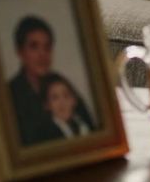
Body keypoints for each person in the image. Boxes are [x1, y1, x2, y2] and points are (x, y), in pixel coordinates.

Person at [7, 15, 96, 145]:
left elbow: (92, 129)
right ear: (20, 51)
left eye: (47, 47)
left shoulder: (62, 84)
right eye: (34, 46)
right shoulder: (9, 93)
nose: (42, 54)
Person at [39, 72, 96, 139]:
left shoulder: (84, 124)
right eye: (55, 98)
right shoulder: (47, 134)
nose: (62, 102)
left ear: (74, 100)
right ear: (47, 105)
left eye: (66, 96)